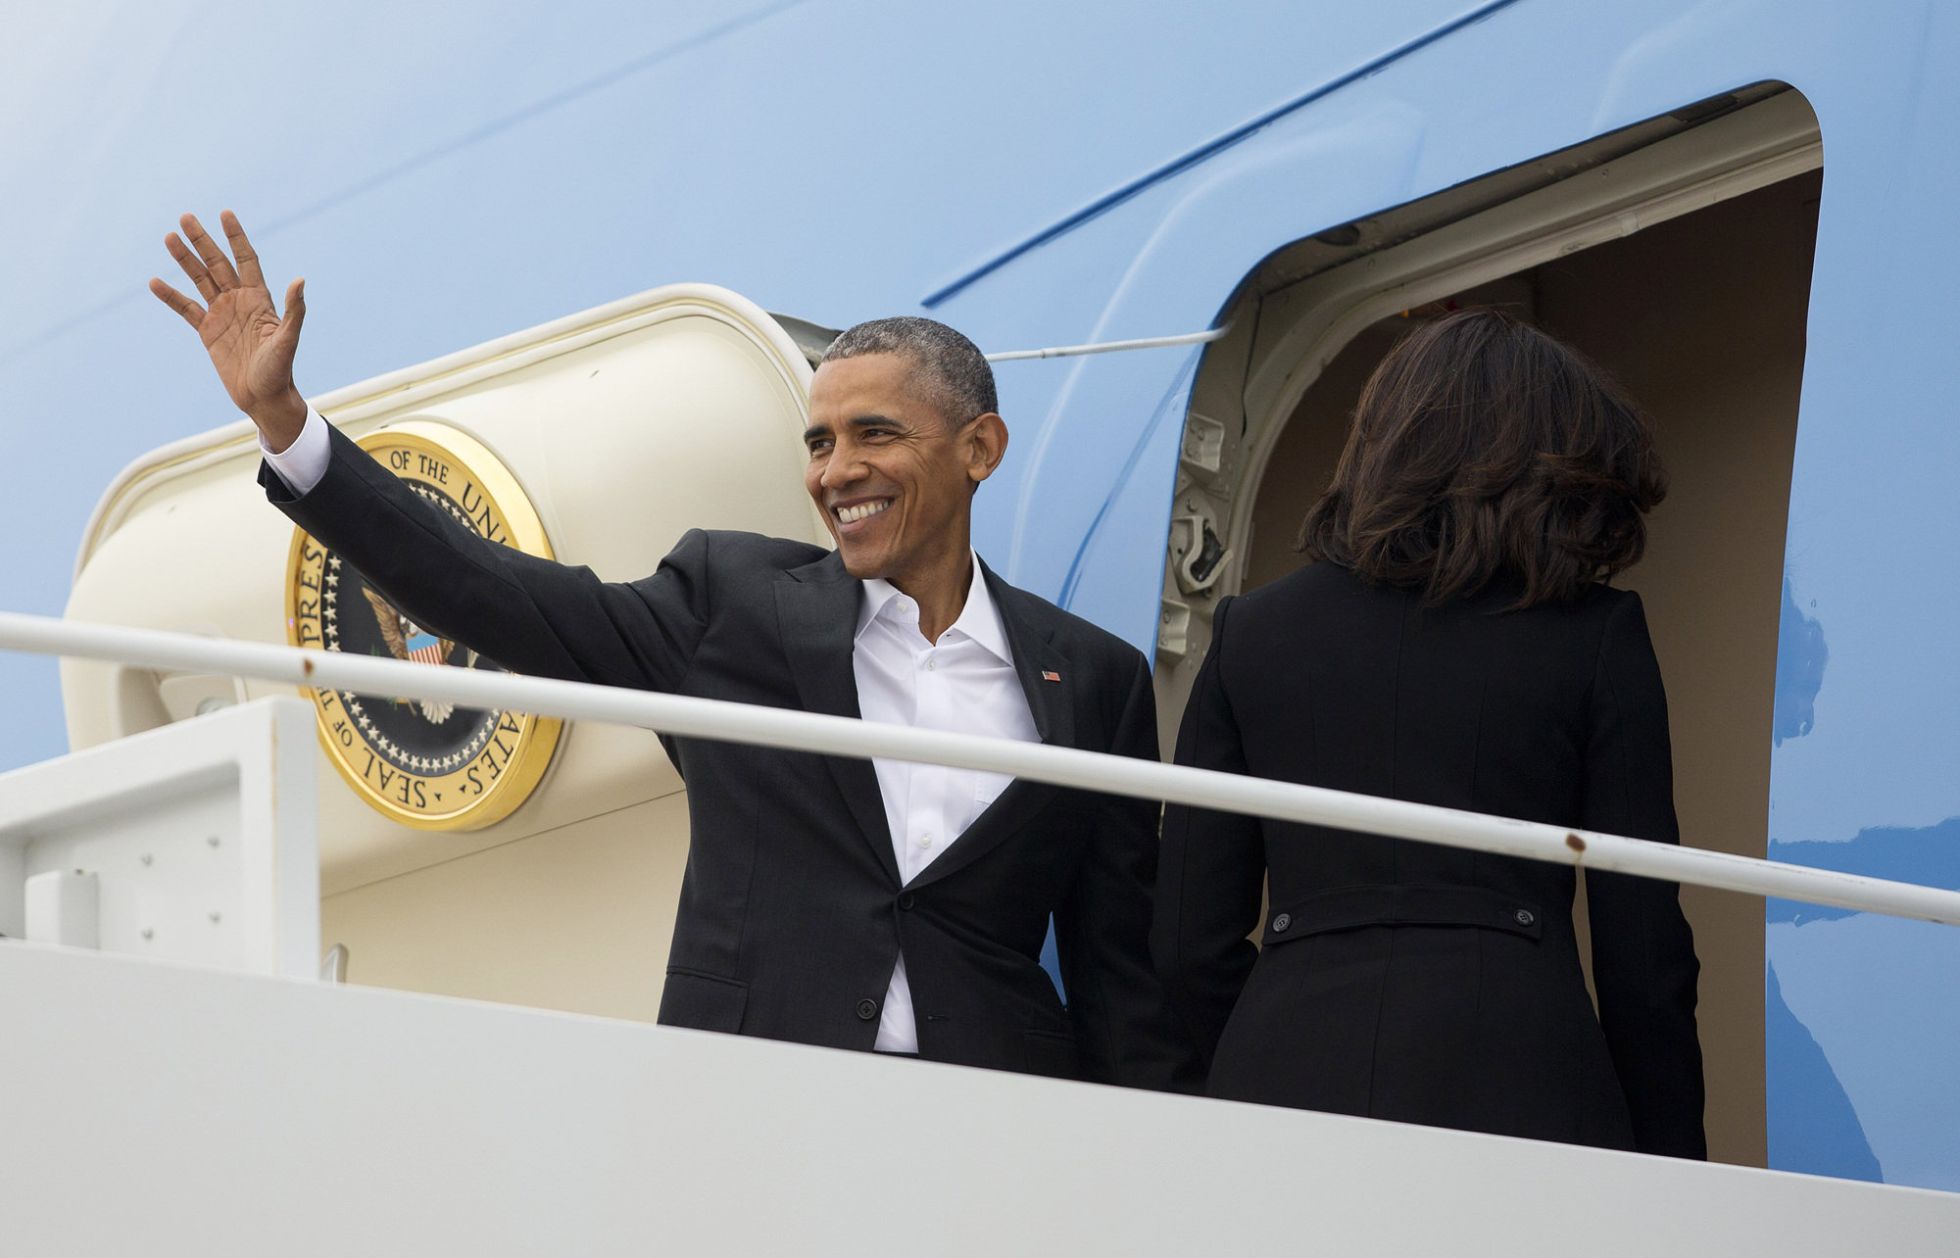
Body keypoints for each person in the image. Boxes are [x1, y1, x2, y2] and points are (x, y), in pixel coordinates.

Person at [151, 210, 1196, 1090]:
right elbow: (495, 593)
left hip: (997, 1123)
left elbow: (1121, 970)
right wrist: (291, 427)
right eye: (818, 442)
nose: (836, 471)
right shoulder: (734, 606)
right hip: (750, 1108)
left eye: (873, 434)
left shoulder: (1090, 676)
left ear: (980, 449)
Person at [1152, 309, 1705, 1155]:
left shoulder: (1250, 632)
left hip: (1283, 1067)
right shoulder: (1595, 635)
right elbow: (1645, 959)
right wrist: (1677, 1168)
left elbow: (1188, 937)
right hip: (1522, 1075)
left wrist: (1275, 1047)